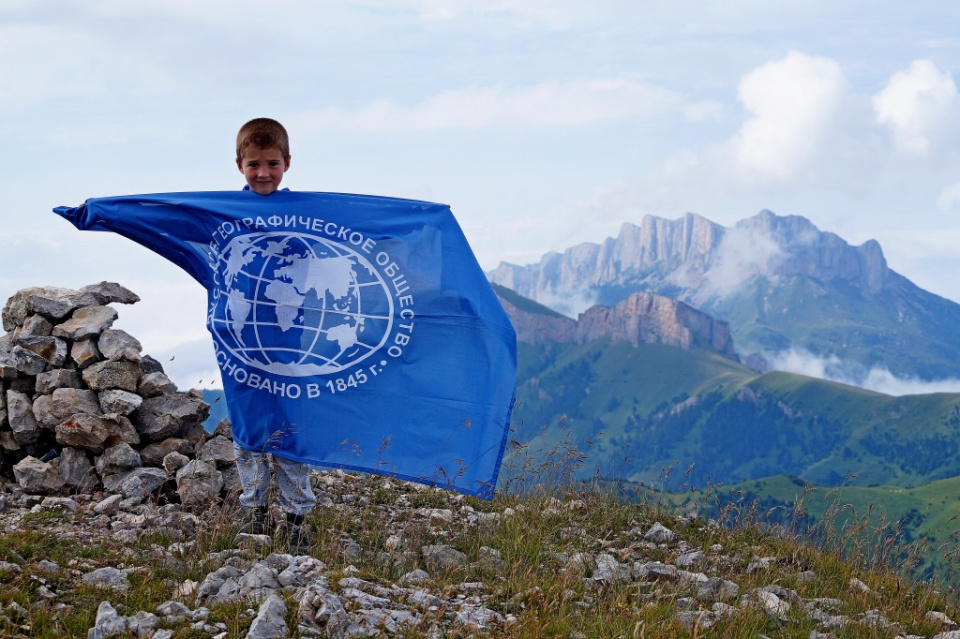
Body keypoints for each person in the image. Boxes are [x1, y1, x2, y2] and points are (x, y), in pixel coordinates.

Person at [231, 118, 317, 549]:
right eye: (253, 164)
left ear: (287, 163)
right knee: (248, 428)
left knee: (289, 427)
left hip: (290, 342)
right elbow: (165, 215)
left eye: (271, 163)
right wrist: (102, 212)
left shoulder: (304, 215)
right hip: (238, 342)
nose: (263, 173)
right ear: (238, 164)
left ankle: (298, 517)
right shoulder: (223, 213)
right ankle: (255, 511)